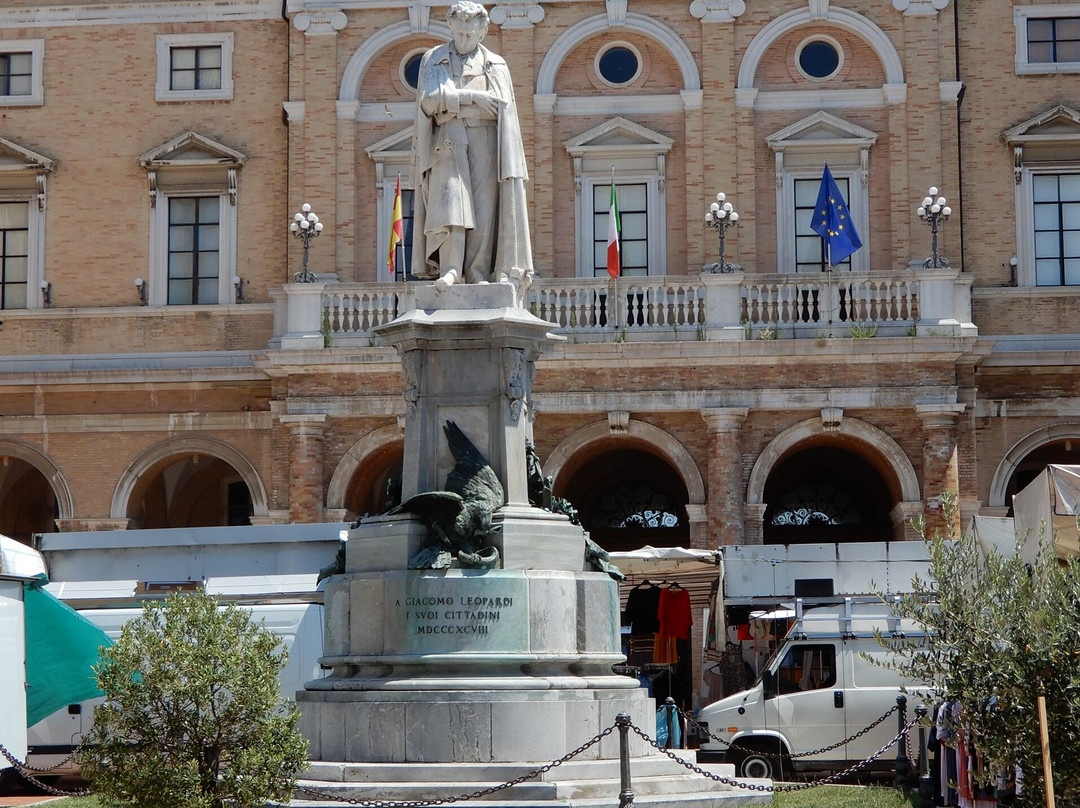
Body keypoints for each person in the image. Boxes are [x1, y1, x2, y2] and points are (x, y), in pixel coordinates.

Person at [410, 1, 533, 302]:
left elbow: (501, 107)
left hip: (486, 141)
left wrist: (454, 100)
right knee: (451, 203)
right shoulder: (434, 59)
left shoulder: (496, 65)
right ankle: (451, 269)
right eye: (460, 32)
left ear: (482, 33)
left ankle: (477, 271)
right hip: (449, 139)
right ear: (450, 27)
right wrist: (473, 97)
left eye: (470, 34)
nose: (464, 39)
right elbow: (428, 102)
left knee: (482, 206)